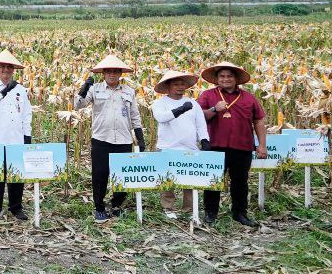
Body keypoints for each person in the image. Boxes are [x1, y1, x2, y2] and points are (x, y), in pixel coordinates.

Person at [74, 54, 145, 222]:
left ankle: (116, 205)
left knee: (122, 174)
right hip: (101, 139)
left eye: (115, 71)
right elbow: (78, 105)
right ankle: (99, 207)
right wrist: (84, 87)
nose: (112, 74)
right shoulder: (95, 89)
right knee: (100, 174)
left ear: (120, 73)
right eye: (109, 71)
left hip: (123, 140)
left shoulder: (129, 92)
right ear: (103, 73)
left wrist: (140, 138)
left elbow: (135, 116)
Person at [196, 61, 266, 227]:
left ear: (236, 79)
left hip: (242, 146)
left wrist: (262, 145)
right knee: (213, 181)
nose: (225, 79)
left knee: (240, 182)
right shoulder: (207, 95)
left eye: (229, 76)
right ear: (217, 79)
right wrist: (214, 109)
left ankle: (240, 213)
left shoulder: (249, 97)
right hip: (214, 145)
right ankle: (210, 213)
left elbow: (258, 121)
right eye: (222, 76)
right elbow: (198, 117)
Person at [0, 49, 32, 220]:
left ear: (13, 70)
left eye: (9, 67)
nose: (6, 70)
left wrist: (27, 136)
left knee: (16, 175)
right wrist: (4, 91)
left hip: (16, 139)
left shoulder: (21, 90)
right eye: (2, 67)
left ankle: (16, 208)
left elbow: (26, 114)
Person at [151, 69, 209, 220]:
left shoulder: (193, 104)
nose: (180, 87)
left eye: (182, 84)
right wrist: (181, 109)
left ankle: (188, 209)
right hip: (167, 147)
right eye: (176, 84)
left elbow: (201, 125)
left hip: (189, 147)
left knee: (189, 180)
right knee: (167, 180)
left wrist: (204, 140)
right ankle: (168, 207)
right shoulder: (159, 103)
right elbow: (161, 118)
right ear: (168, 86)